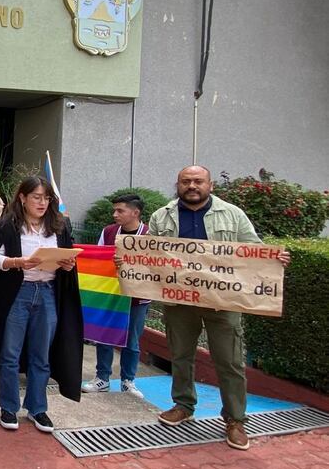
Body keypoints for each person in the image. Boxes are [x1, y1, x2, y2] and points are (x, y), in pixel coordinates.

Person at [146, 165, 290, 451]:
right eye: (186, 181)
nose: (192, 186)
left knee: (230, 361)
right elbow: (146, 253)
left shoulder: (232, 215)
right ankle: (183, 406)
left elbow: (253, 249)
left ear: (210, 185)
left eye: (198, 181)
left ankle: (235, 420)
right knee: (181, 355)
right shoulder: (162, 216)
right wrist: (128, 262)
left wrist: (274, 259)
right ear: (178, 184)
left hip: (223, 302)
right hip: (179, 300)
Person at [0, 176, 83, 433]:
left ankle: (38, 409)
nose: (42, 202)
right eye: (36, 197)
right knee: (10, 354)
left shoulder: (59, 226)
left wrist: (68, 264)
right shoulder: (7, 226)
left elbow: (68, 258)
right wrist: (17, 263)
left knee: (41, 356)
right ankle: (9, 407)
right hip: (18, 293)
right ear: (22, 198)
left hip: (47, 293)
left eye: (46, 198)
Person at [81, 194, 150, 398]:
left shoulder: (149, 234)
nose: (115, 214)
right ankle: (102, 377)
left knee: (133, 340)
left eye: (120, 211)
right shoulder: (108, 232)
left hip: (138, 297)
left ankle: (128, 381)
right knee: (105, 335)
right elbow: (99, 258)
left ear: (135, 213)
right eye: (115, 210)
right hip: (110, 293)